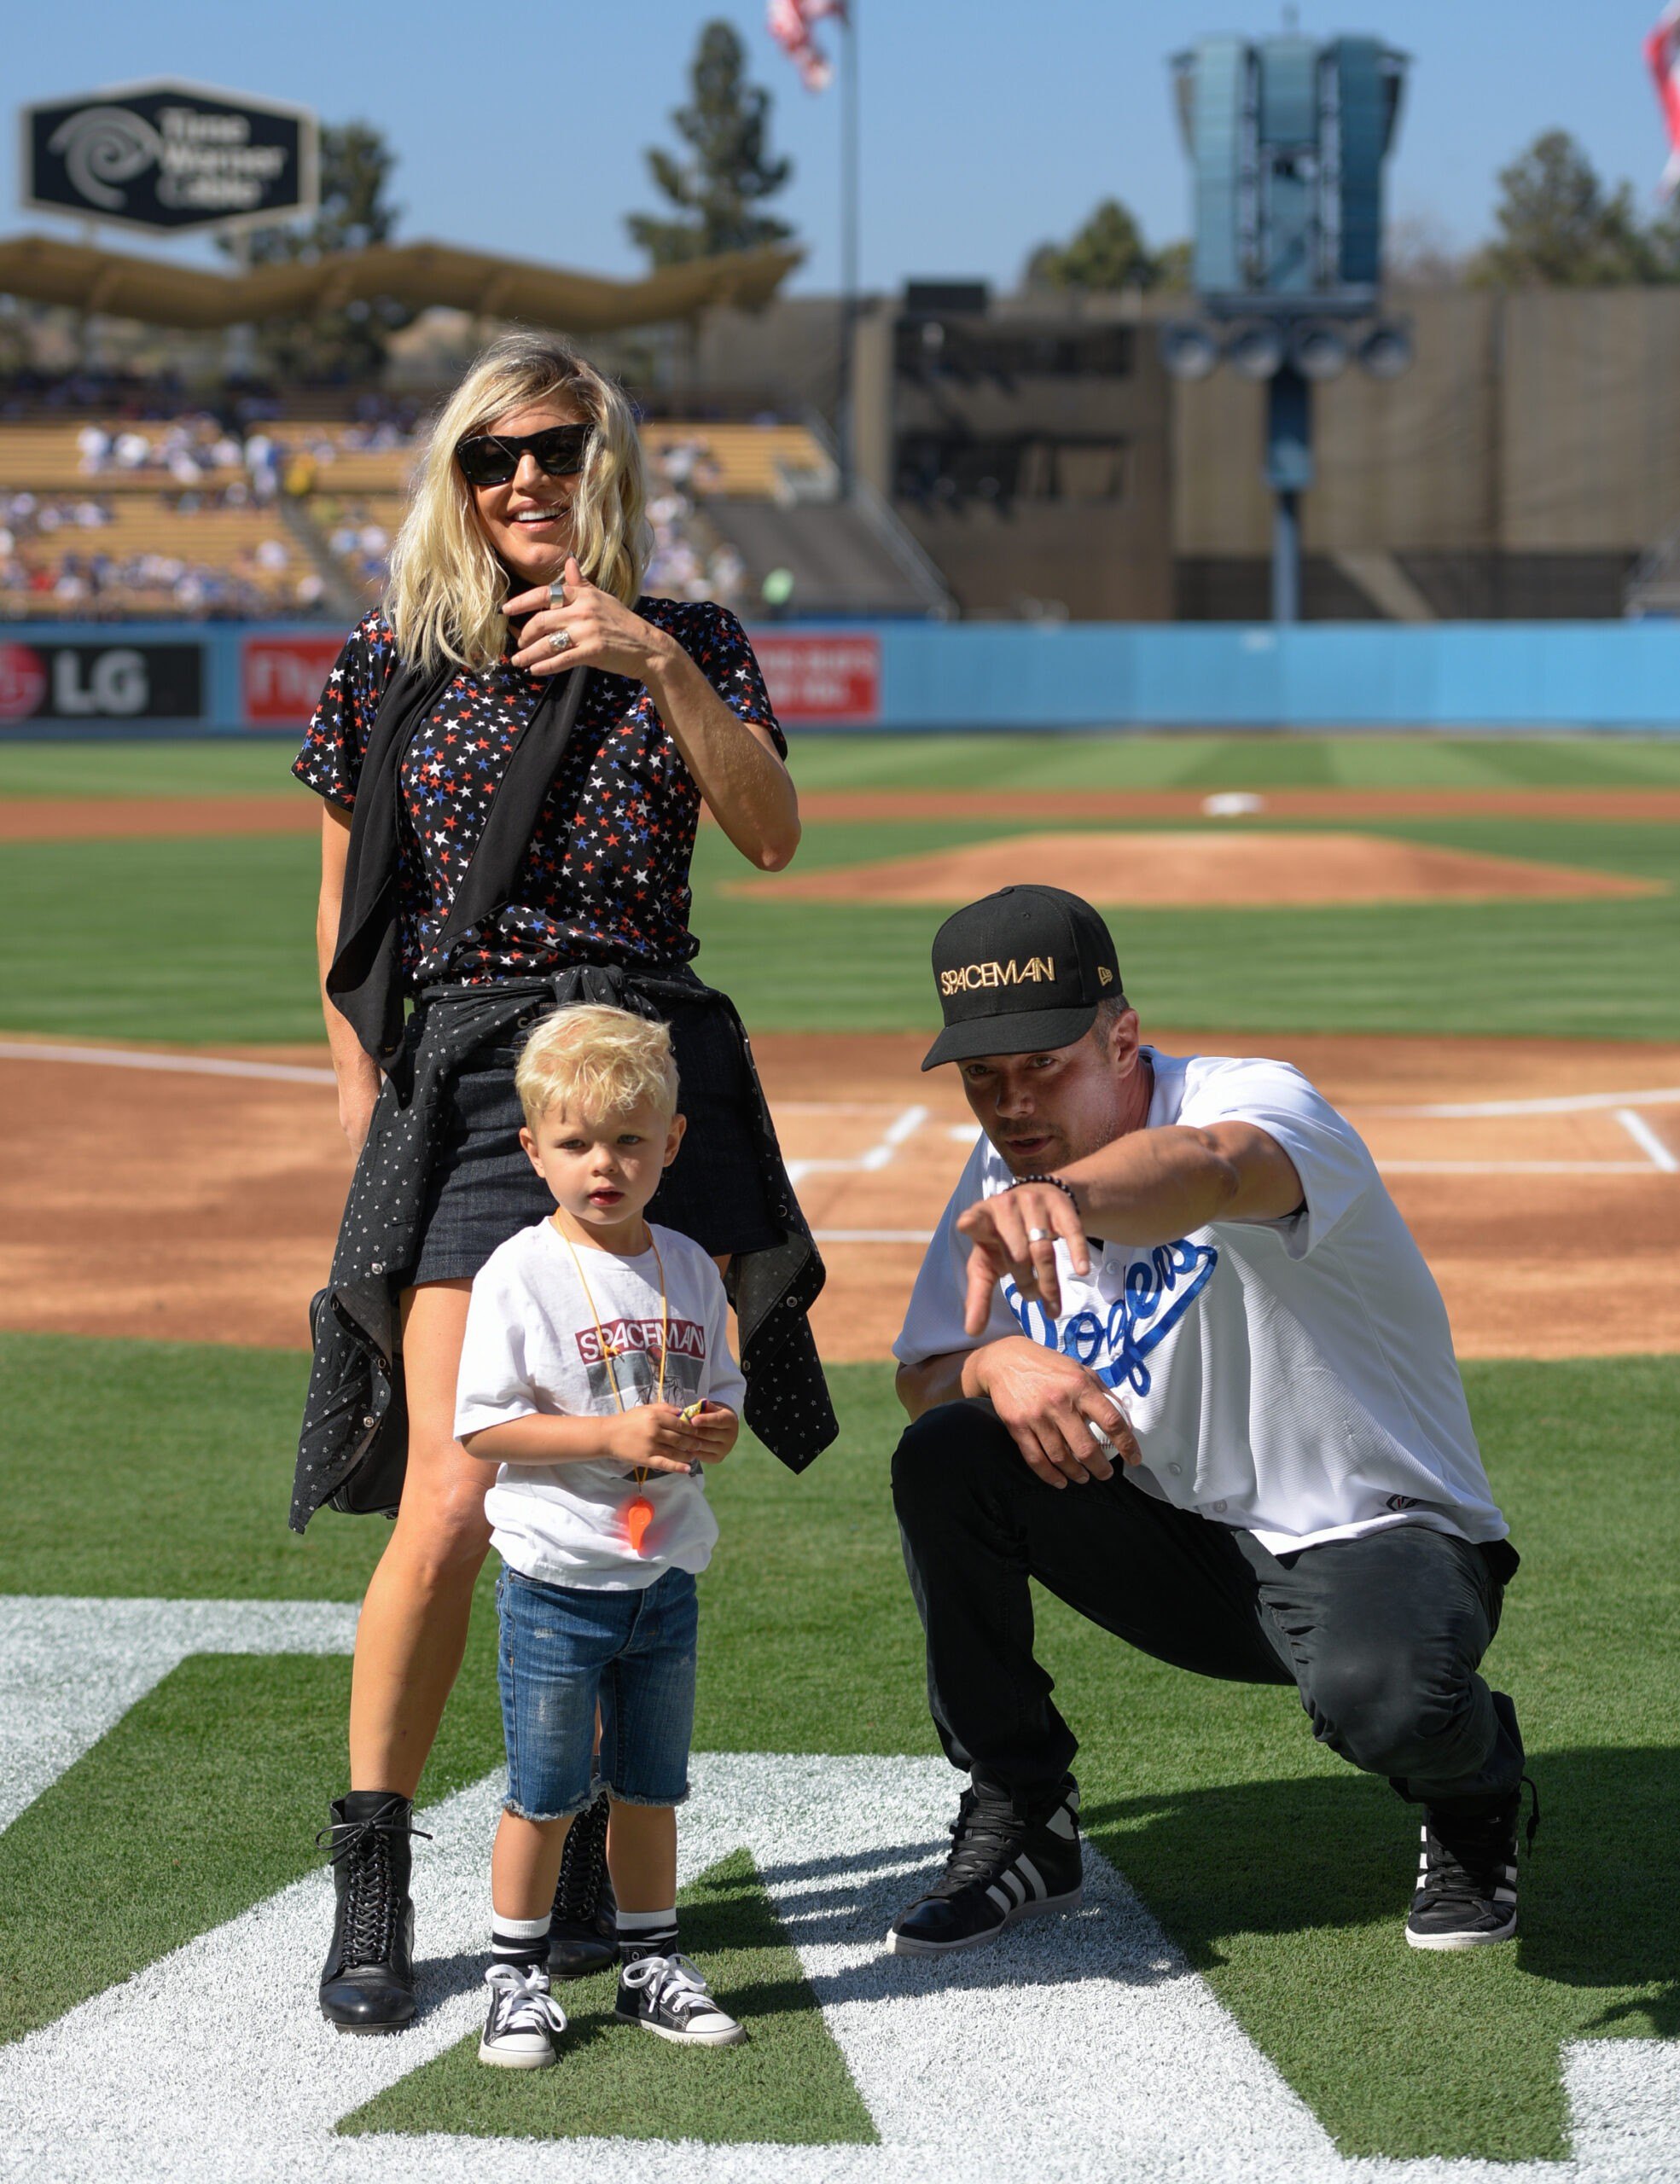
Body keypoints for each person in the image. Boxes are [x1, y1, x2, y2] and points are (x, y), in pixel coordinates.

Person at [290, 331, 835, 2034]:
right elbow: (345, 929)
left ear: (611, 468)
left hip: (649, 1078)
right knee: (453, 1492)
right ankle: (373, 1861)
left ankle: (597, 1845)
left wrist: (654, 664)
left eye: (558, 449)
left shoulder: (702, 640)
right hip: (468, 1090)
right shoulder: (389, 658)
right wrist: (358, 1122)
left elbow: (773, 832)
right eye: (491, 454)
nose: (525, 477)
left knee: (638, 1464)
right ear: (458, 475)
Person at [887, 884, 1534, 1960]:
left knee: (1391, 1705)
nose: (1011, 1101)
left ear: (1123, 1036)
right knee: (947, 1452)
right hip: (1179, 1544)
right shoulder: (1009, 1164)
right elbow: (923, 1373)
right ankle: (1022, 1810)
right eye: (983, 1076)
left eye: (1044, 1062)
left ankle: (1474, 1790)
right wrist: (995, 1359)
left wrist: (1071, 1200)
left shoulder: (1251, 1100)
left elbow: (1214, 1171)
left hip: (1376, 1536)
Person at [457, 1004, 747, 2066]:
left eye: (630, 1140)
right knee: (543, 1791)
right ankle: (516, 1976)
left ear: (671, 1142)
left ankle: (649, 1961)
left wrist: (713, 1428)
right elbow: (483, 1423)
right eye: (575, 1143)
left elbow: (720, 1390)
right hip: (555, 1581)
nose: (604, 1164)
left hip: (662, 1575)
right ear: (533, 1150)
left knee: (650, 1786)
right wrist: (609, 1432)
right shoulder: (516, 1272)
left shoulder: (688, 1265)